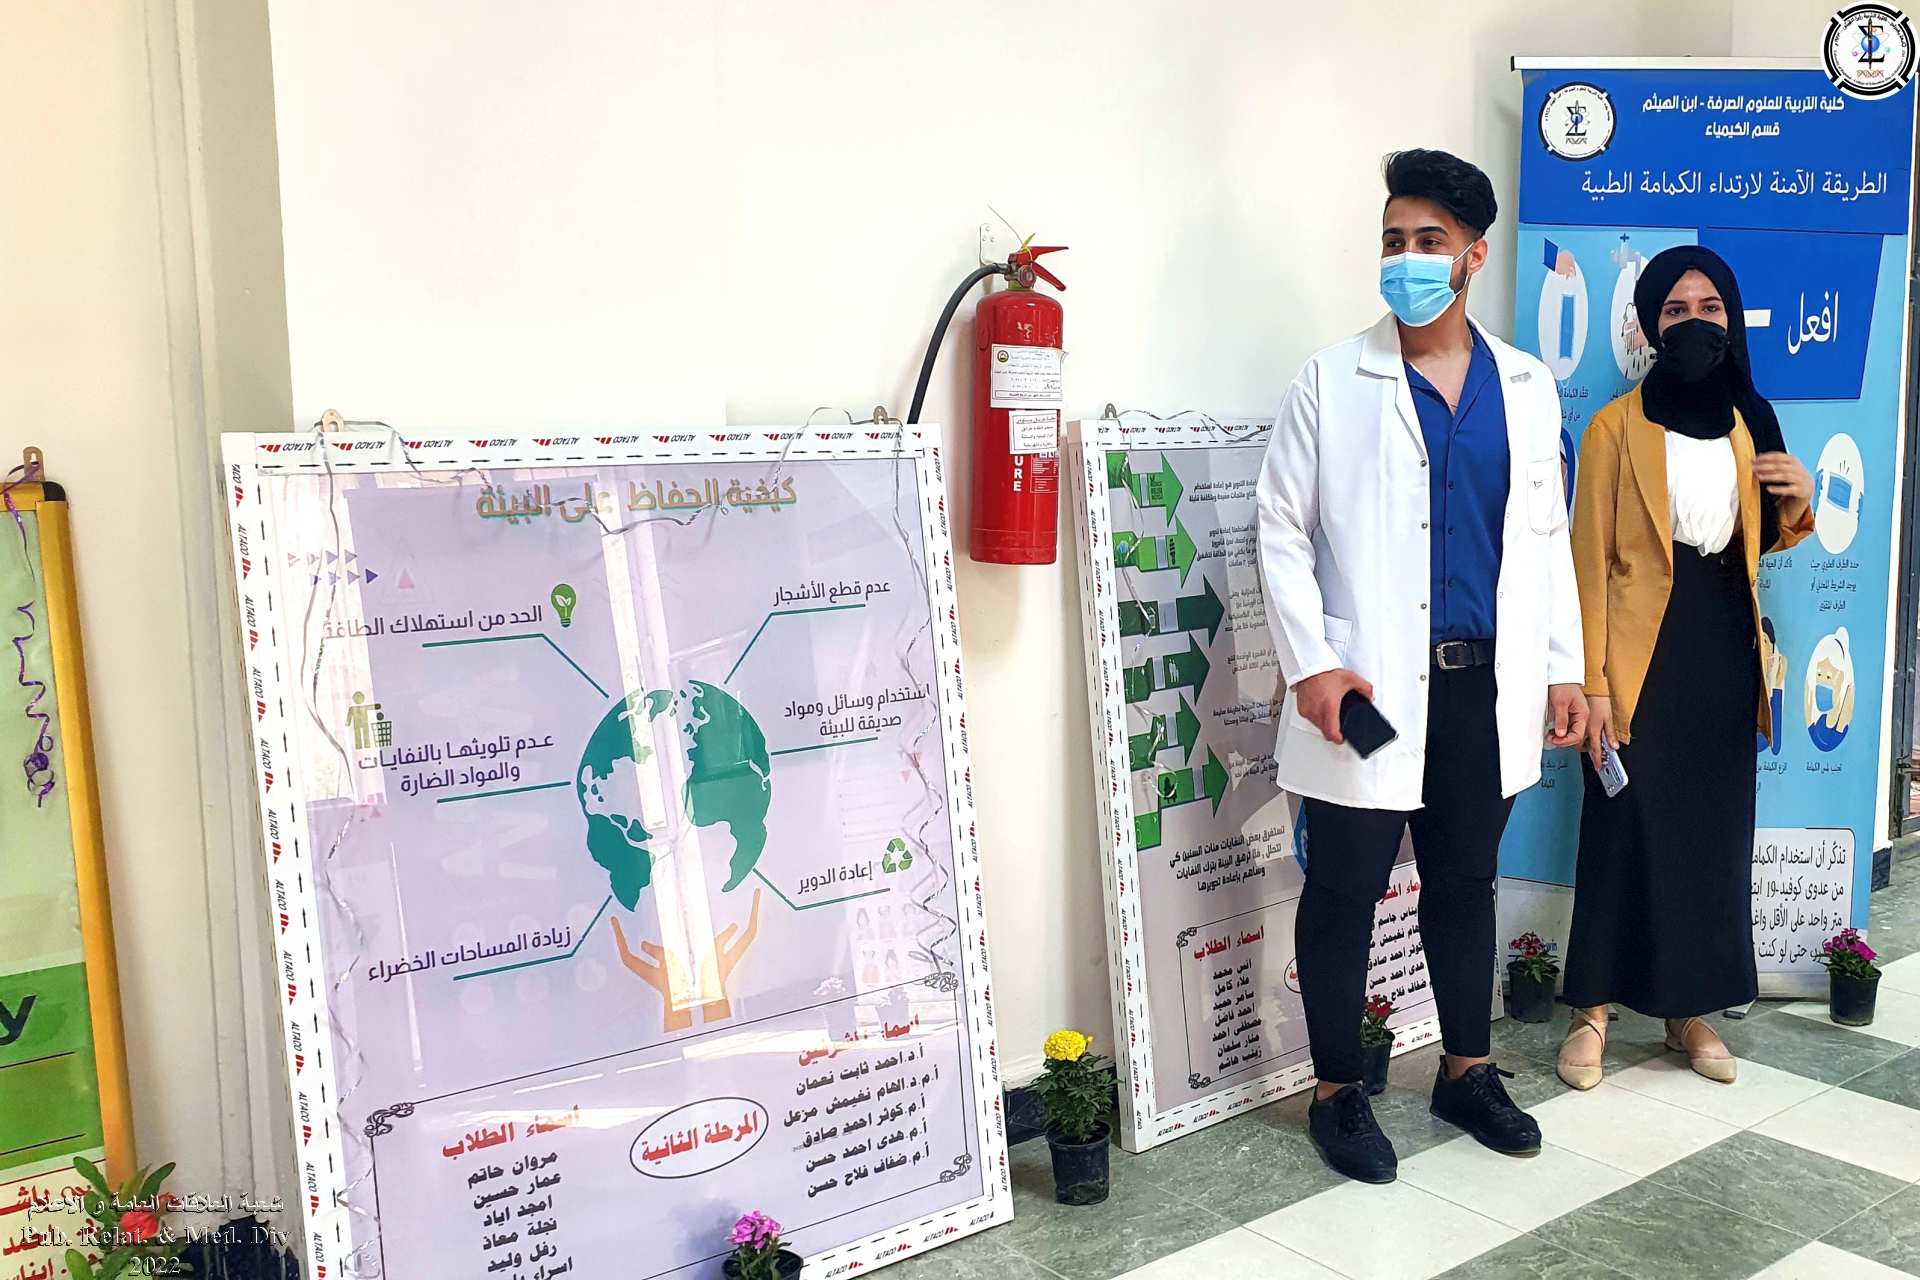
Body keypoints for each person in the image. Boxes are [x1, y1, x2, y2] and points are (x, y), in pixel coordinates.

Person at [1257, 149, 1587, 1185]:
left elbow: (1546, 536)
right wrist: (1313, 665)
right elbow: (1280, 531)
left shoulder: (1525, 386)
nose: (1406, 257)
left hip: (1483, 685)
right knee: (1345, 884)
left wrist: (1565, 667)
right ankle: (1336, 1089)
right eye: (1393, 239)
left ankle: (1466, 1071)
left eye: (1428, 240)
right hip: (1365, 689)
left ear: (1473, 256)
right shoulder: (1331, 379)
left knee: (1463, 879)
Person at [1557, 246, 1814, 1090]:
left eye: (1710, 308)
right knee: (1621, 827)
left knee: (1710, 834)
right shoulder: (1614, 428)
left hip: (1722, 645)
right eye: (1675, 310)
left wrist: (1799, 499)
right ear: (1649, 326)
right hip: (1640, 652)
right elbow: (1587, 562)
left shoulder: (1751, 419)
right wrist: (1593, 685)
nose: (1694, 322)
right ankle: (1592, 1011)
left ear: (1730, 320)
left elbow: (1766, 538)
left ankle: (1688, 1011)